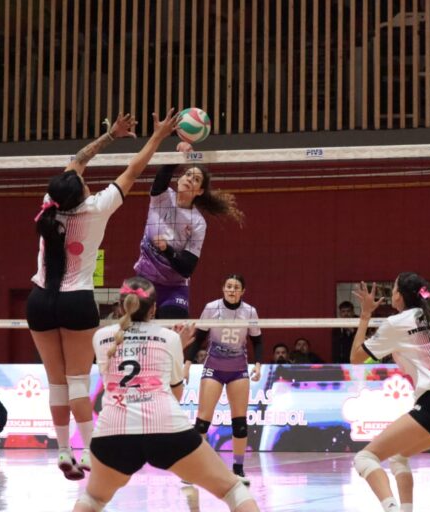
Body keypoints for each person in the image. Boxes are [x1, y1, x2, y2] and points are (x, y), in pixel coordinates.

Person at [26, 111, 178, 480]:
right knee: (78, 382)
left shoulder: (51, 203)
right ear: (82, 192)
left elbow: (77, 162)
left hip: (39, 300)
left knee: (58, 384)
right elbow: (135, 168)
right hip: (76, 301)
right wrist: (157, 137)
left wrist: (109, 136)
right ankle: (94, 454)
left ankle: (64, 450)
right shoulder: (95, 209)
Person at [73, 276, 259, 512]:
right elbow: (176, 395)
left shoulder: (101, 337)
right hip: (166, 431)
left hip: (112, 434)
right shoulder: (169, 338)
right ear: (153, 309)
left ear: (120, 307)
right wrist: (177, 347)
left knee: (93, 499)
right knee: (234, 490)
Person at [349, 273, 430, 512]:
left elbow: (356, 358)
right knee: (398, 457)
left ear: (400, 295)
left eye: (393, 289)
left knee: (364, 458)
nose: (391, 293)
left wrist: (365, 315)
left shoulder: (397, 322)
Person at [132, 142, 244, 320]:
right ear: (179, 179)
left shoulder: (198, 223)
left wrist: (166, 249)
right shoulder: (162, 196)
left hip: (174, 287)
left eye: (196, 179)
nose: (190, 178)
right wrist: (178, 155)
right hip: (143, 279)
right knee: (135, 334)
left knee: (172, 331)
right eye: (188, 174)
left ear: (199, 191)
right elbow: (162, 176)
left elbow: (187, 268)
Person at [188, 274, 262, 483]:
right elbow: (199, 337)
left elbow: (257, 341)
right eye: (228, 286)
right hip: (214, 367)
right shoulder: (211, 308)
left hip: (238, 369)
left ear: (242, 291)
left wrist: (257, 365)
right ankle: (194, 468)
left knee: (239, 422)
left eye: (236, 287)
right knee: (202, 421)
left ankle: (238, 469)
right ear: (223, 288)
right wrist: (186, 364)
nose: (231, 290)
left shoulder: (249, 311)